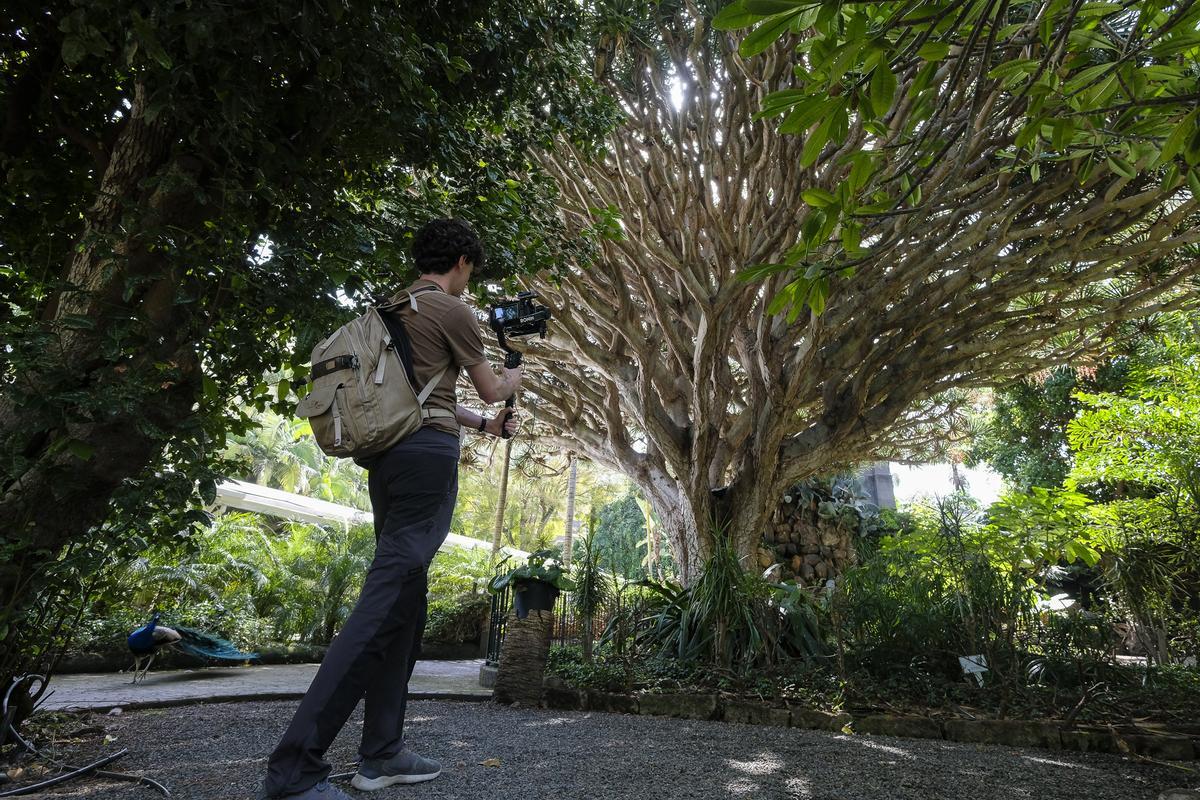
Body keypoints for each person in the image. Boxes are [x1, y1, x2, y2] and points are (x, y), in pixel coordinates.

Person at [260, 218, 523, 799]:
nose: (468, 279)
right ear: (460, 261)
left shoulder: (392, 310)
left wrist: (484, 427)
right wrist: (515, 371)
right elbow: (492, 389)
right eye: (470, 269)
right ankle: (294, 770)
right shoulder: (451, 310)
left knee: (405, 602)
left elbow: (424, 394)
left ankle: (382, 751)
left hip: (389, 462)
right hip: (426, 462)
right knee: (383, 601)